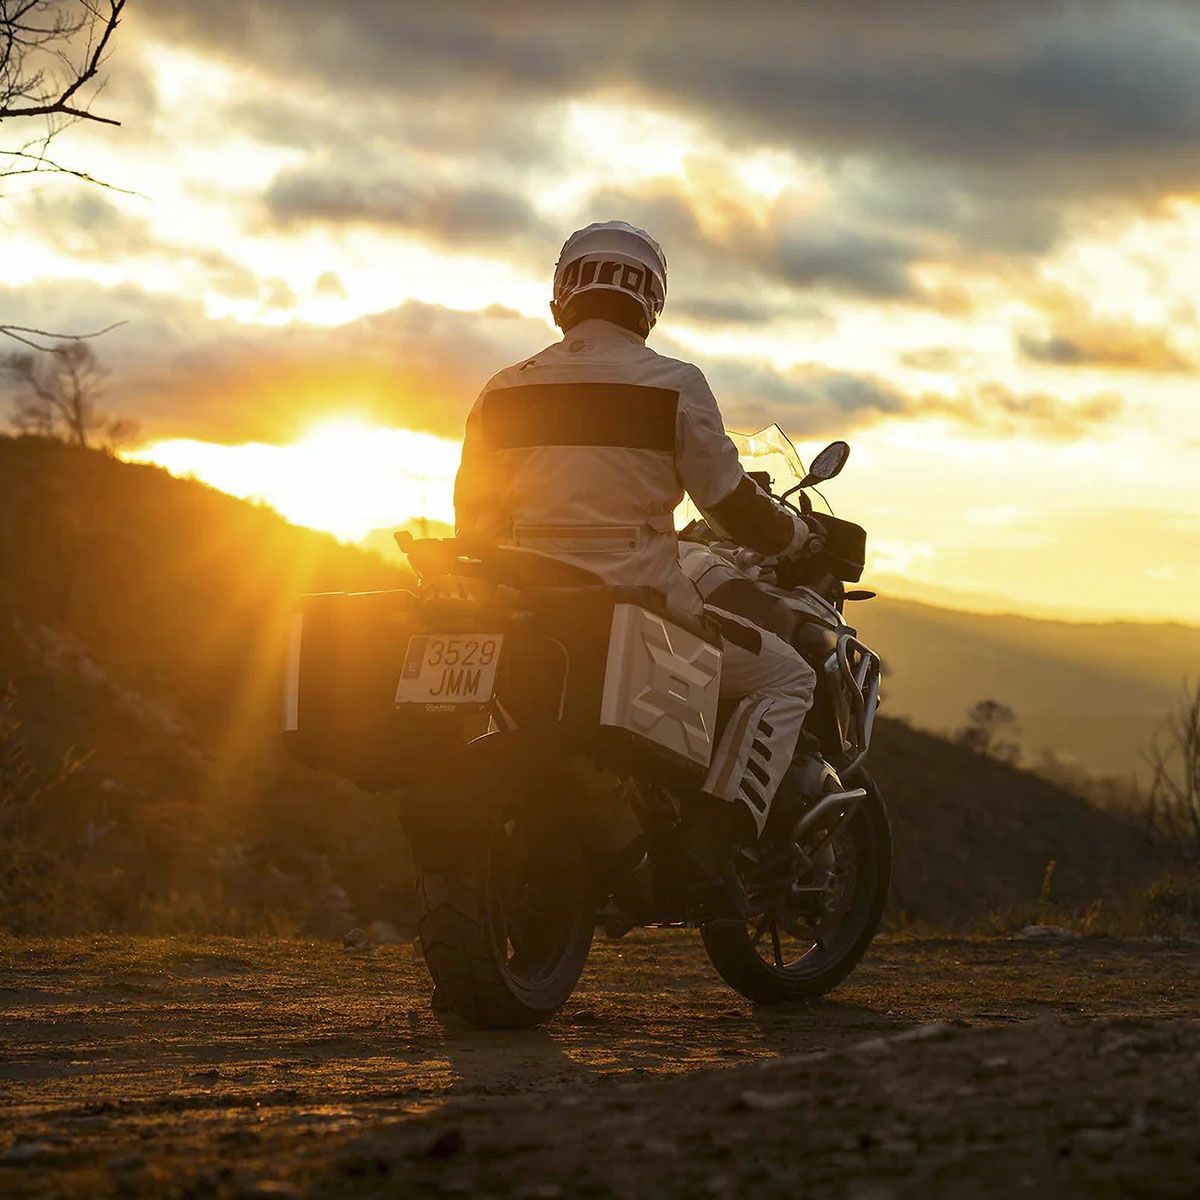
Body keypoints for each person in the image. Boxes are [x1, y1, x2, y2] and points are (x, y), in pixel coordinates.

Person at [454, 220, 818, 846]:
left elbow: (474, 519)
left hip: (524, 615)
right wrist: (796, 538)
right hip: (642, 615)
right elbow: (729, 504)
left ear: (562, 296)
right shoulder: (673, 384)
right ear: (650, 302)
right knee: (789, 677)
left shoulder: (504, 389)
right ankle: (714, 844)